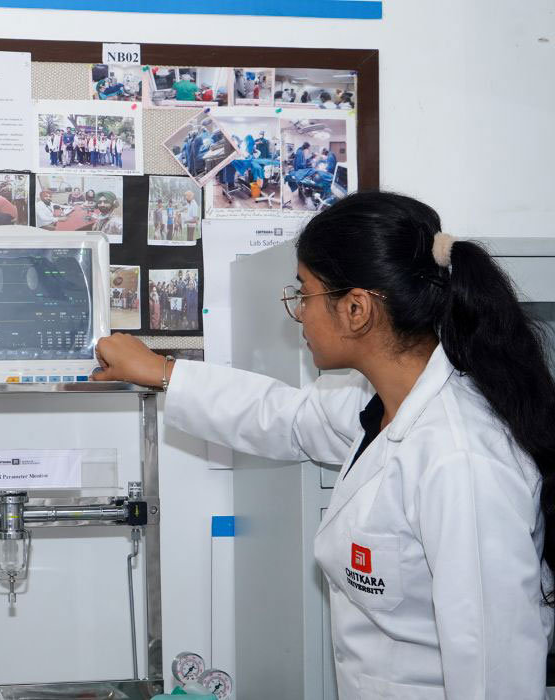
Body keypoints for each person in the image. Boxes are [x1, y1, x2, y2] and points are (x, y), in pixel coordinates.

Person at [93, 191, 555, 699]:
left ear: (356, 309)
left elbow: (495, 676)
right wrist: (163, 372)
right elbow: (287, 418)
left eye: (304, 293)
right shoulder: (380, 403)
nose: (299, 313)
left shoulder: (460, 461)